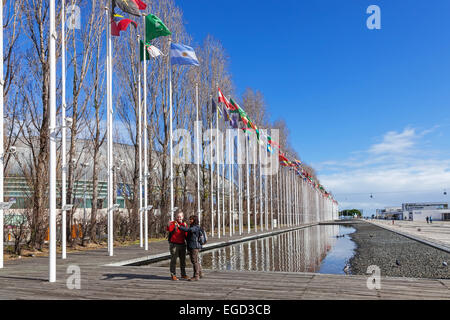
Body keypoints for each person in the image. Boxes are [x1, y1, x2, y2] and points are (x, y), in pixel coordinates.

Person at [177, 215, 204, 281]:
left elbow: (189, 230)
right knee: (195, 261)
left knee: (194, 261)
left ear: (194, 220)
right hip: (192, 246)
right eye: (189, 219)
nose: (190, 221)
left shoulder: (196, 227)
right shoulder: (194, 226)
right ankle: (200, 273)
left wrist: (180, 227)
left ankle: (196, 276)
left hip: (194, 246)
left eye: (191, 219)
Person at [167, 210, 189, 281]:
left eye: (180, 217)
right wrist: (170, 225)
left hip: (182, 244)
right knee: (174, 260)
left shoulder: (184, 224)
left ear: (182, 217)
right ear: (176, 217)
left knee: (183, 260)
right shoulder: (173, 223)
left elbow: (187, 234)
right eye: (178, 217)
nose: (179, 218)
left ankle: (183, 274)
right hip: (174, 244)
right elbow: (169, 229)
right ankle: (173, 274)